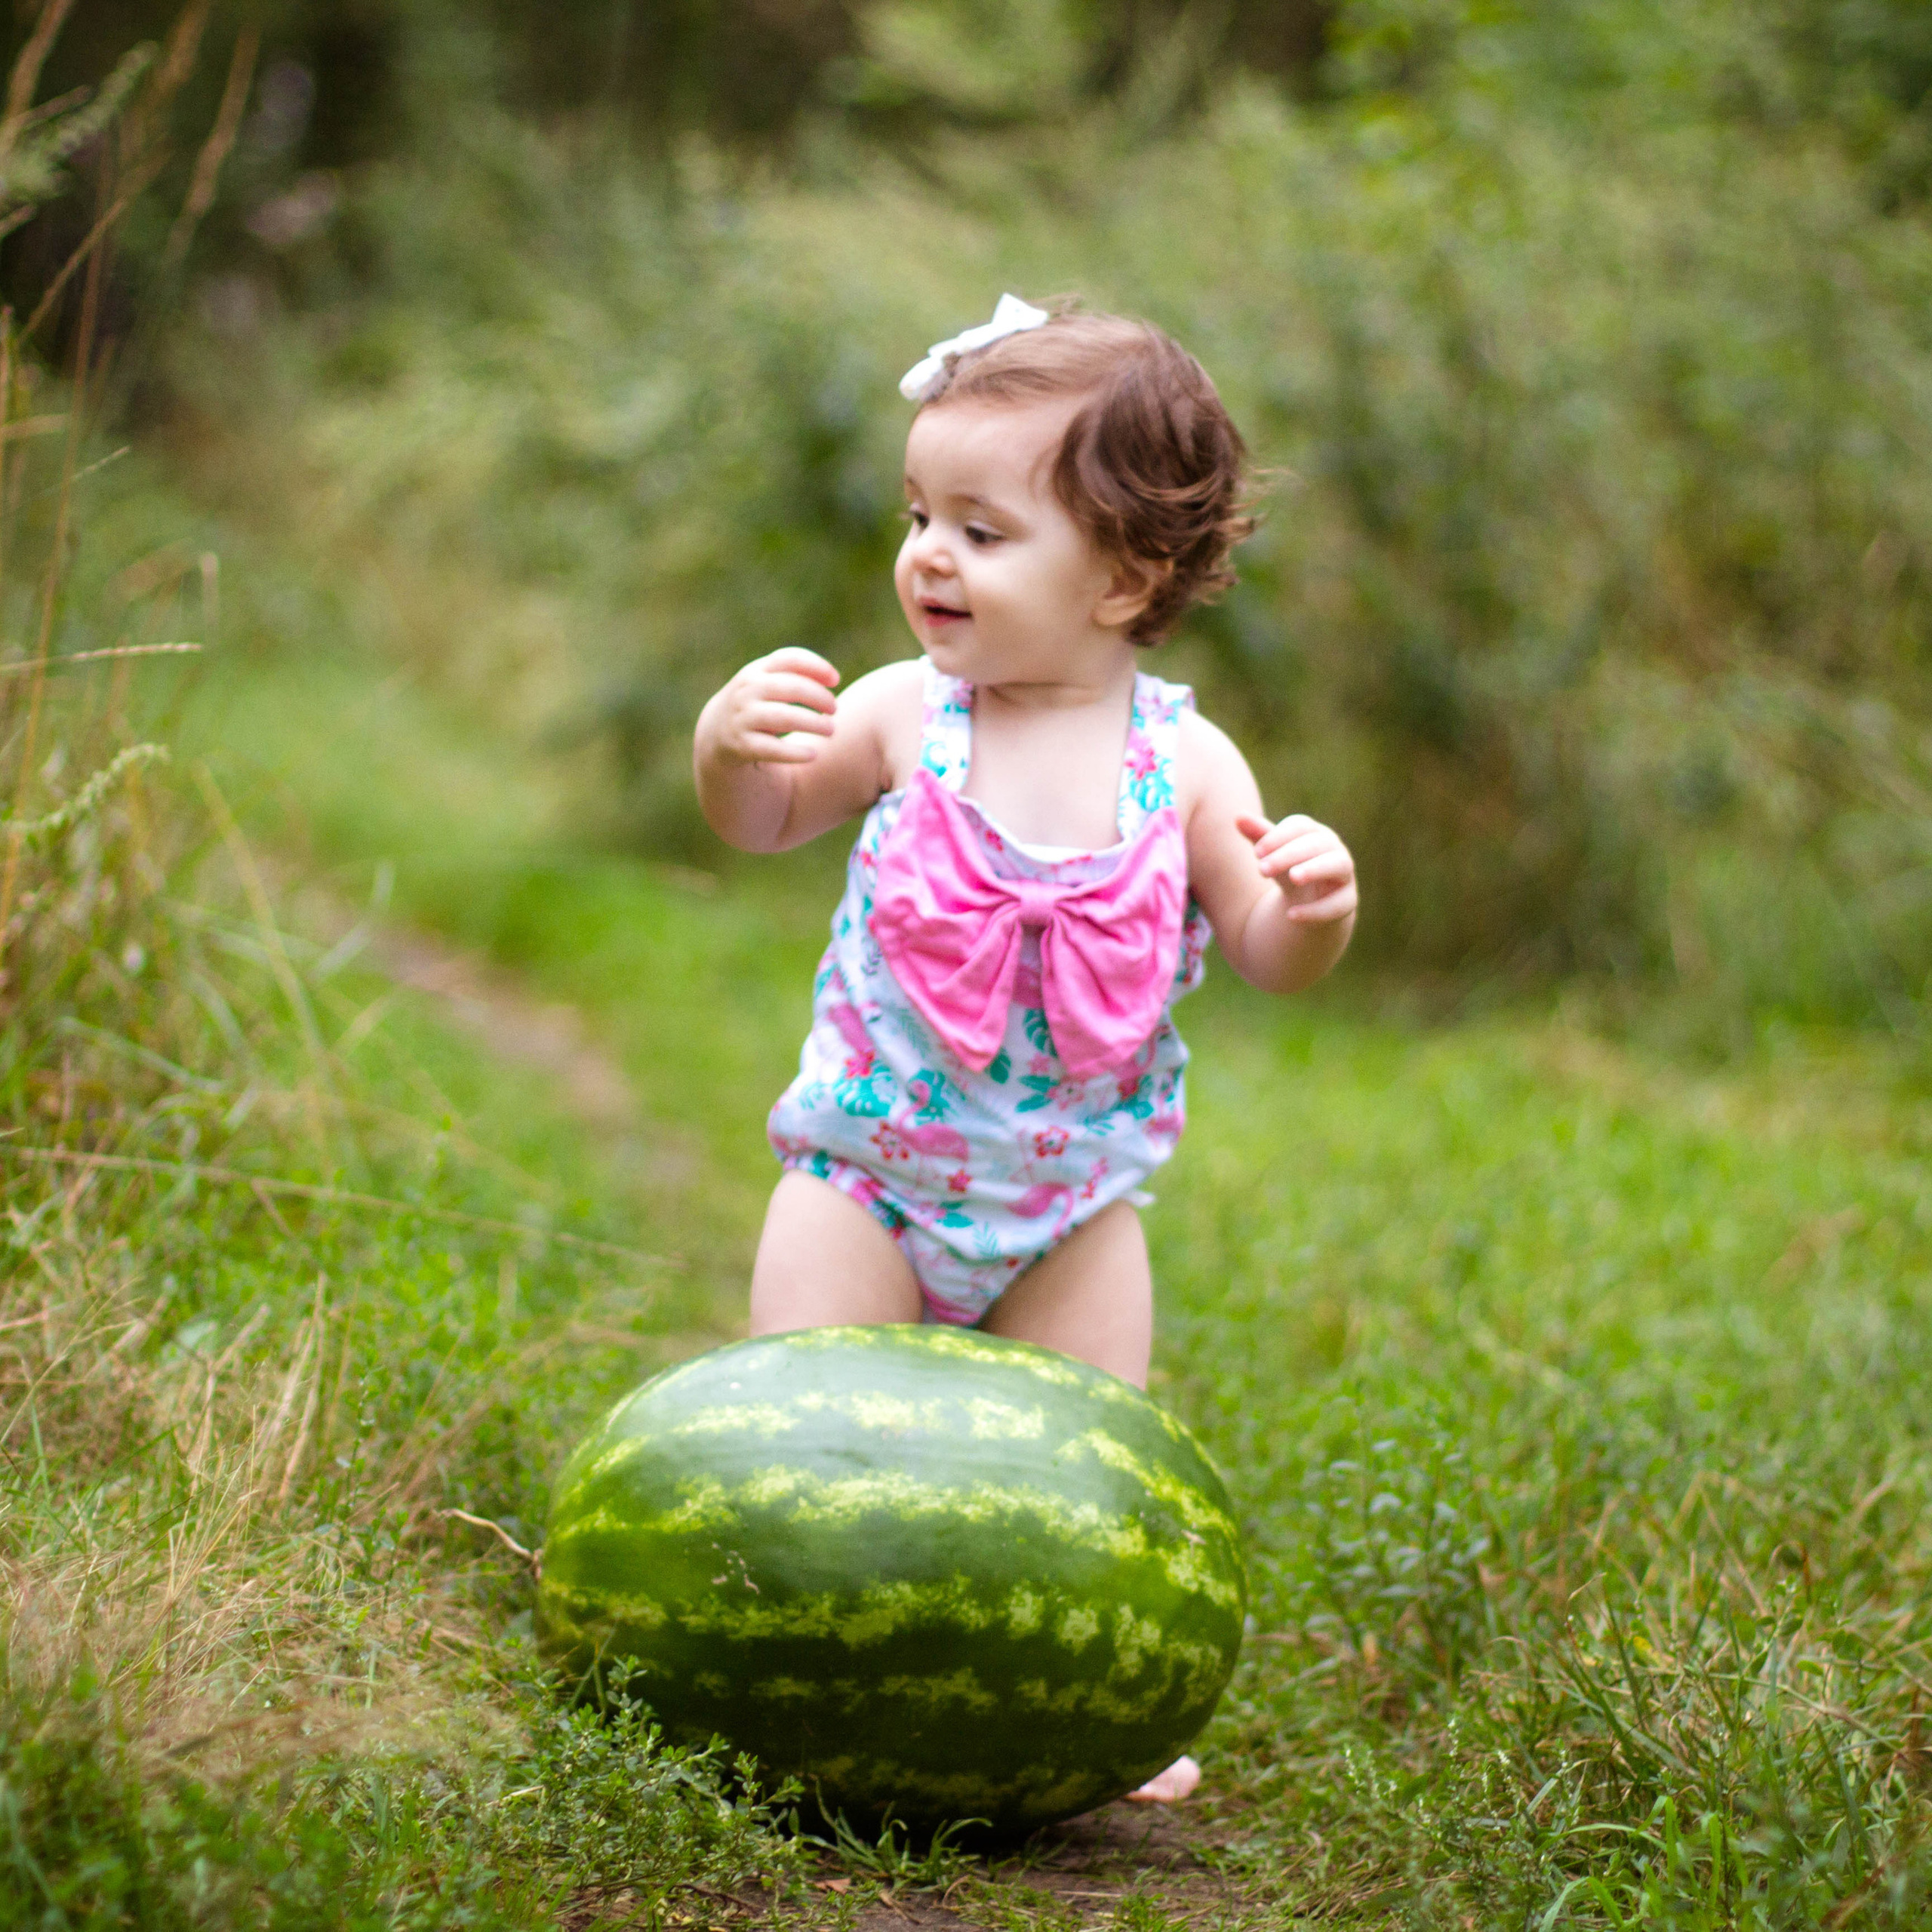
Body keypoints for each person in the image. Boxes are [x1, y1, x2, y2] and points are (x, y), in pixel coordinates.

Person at [692, 294, 1357, 1805]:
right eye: (919, 513)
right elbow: (761, 821)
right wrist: (726, 751)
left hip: (1068, 1217)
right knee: (802, 1436)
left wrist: (1312, 903)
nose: (928, 554)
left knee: (1080, 1480)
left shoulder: (1182, 762)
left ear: (1122, 575)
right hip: (863, 1182)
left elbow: (1261, 943)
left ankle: (1084, 1716)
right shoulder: (896, 712)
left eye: (982, 531)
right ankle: (772, 1672)